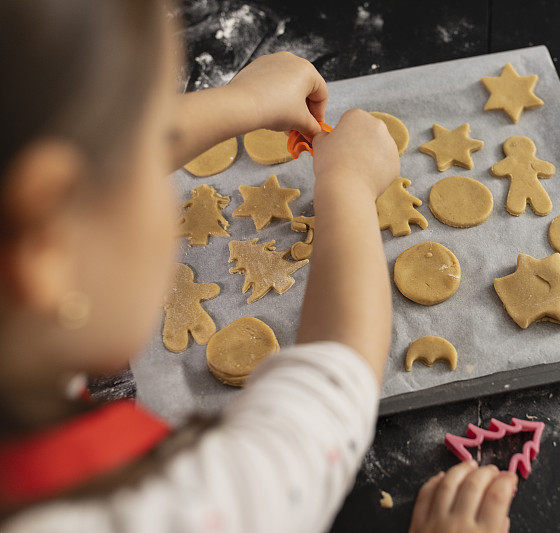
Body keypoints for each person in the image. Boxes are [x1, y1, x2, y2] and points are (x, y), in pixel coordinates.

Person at [0, 1, 520, 532]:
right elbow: (327, 400)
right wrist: (349, 187)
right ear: (49, 242)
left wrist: (240, 102)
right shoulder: (181, 508)